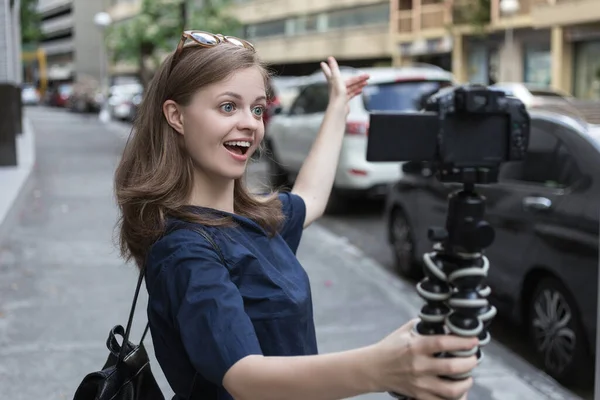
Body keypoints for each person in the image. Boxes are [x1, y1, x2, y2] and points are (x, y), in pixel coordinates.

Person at [114, 30, 479, 400]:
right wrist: (380, 368)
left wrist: (338, 107)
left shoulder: (249, 218)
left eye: (257, 108)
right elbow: (244, 376)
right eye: (228, 106)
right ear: (176, 116)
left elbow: (310, 196)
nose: (251, 123)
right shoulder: (185, 250)